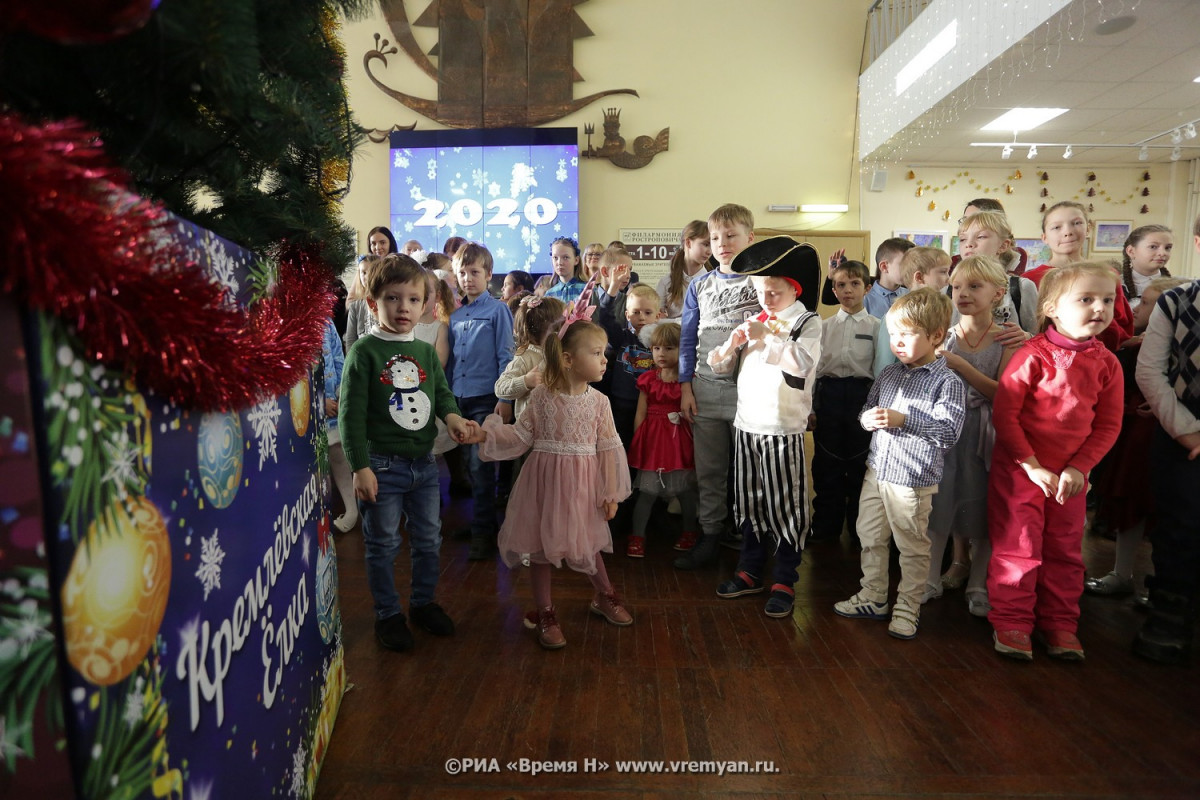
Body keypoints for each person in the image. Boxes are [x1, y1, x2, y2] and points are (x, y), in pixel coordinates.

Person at [462, 315, 634, 650]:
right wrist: (485, 433)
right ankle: (545, 612)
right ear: (569, 359)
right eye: (596, 353)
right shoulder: (541, 397)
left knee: (589, 543)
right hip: (542, 485)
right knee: (539, 548)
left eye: (604, 354)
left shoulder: (600, 403)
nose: (604, 360)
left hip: (583, 488)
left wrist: (611, 492)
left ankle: (605, 595)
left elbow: (610, 447)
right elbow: (520, 435)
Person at [987, 262, 1123, 661]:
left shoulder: (1108, 363)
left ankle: (1060, 623)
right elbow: (1006, 415)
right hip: (1021, 472)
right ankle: (1012, 619)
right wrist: (1030, 464)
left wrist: (1080, 468)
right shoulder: (1031, 356)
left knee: (1065, 549)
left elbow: (1109, 425)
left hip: (1070, 478)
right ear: (1051, 307)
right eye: (1086, 299)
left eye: (1107, 300)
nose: (1099, 307)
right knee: (1019, 547)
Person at [338, 254, 472, 652]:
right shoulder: (364, 353)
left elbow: (441, 394)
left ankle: (423, 603)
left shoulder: (426, 350)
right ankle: (387, 615)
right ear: (371, 303)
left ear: (426, 304)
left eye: (413, 300)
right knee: (382, 544)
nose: (404, 308)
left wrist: (453, 419)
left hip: (423, 464)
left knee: (429, 539)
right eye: (393, 299)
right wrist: (359, 468)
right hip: (380, 465)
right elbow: (350, 416)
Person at [833, 288, 966, 640]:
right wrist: (868, 421)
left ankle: (908, 606)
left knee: (911, 545)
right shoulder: (889, 374)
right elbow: (867, 411)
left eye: (906, 335)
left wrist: (902, 420)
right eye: (893, 334)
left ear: (936, 336)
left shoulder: (947, 382)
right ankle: (874, 596)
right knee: (870, 535)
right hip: (877, 471)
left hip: (912, 480)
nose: (897, 342)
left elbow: (948, 433)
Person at [708, 238, 822, 618]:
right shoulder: (754, 321)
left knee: (786, 504)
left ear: (794, 288)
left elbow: (802, 364)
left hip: (783, 429)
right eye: (759, 291)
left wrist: (768, 337)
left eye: (774, 291)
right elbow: (720, 366)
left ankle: (785, 578)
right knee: (750, 501)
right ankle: (750, 569)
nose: (766, 298)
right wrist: (729, 348)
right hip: (747, 425)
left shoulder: (807, 322)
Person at [923, 255, 1016, 618]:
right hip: (947, 430)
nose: (962, 293)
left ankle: (979, 581)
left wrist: (960, 366)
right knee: (938, 504)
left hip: (987, 432)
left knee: (985, 507)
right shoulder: (943, 334)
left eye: (974, 287)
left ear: (998, 292)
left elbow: (1004, 394)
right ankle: (929, 576)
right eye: (957, 286)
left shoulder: (1008, 338)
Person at [1087, 276, 1190, 597]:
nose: (1140, 307)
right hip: (1133, 433)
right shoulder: (1130, 345)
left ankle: (1163, 585)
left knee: (1164, 509)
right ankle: (1123, 572)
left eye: (1148, 303)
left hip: (1157, 435)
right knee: (1130, 502)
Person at [675, 203, 762, 570]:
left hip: (751, 392)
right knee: (709, 470)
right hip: (706, 389)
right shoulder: (700, 284)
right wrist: (685, 387)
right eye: (714, 238)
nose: (722, 243)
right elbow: (687, 337)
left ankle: (750, 538)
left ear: (749, 238)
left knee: (750, 471)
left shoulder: (762, 281)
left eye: (731, 236)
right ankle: (710, 533)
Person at [1130, 217, 1200, 663]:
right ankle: (1170, 614)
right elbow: (1150, 371)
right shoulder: (1176, 302)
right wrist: (1188, 430)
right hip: (1182, 434)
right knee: (1180, 527)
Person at [448, 242, 515, 559]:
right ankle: (480, 523)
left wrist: (504, 397)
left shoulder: (498, 310)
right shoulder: (456, 315)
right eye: (462, 272)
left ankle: (484, 535)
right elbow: (450, 361)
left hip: (486, 398)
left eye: (474, 272)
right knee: (470, 469)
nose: (467, 278)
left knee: (482, 467)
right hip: (460, 400)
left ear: (488, 275)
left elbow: (506, 356)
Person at [809, 258, 876, 544]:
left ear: (868, 288)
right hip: (831, 395)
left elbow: (881, 367)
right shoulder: (822, 327)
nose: (847, 290)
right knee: (827, 462)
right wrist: (811, 407)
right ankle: (825, 526)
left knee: (861, 464)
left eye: (854, 284)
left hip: (864, 396)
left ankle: (860, 529)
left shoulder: (878, 327)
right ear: (833, 290)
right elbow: (813, 371)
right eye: (840, 285)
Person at [625, 321, 697, 556]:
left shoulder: (688, 382)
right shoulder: (648, 379)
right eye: (656, 348)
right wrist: (639, 439)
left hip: (678, 441)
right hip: (653, 441)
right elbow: (640, 412)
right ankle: (637, 536)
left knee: (685, 491)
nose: (661, 354)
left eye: (668, 348)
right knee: (646, 492)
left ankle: (689, 531)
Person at [1024, 201, 1133, 351]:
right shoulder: (1029, 280)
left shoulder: (1107, 275)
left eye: (1076, 223)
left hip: (1099, 356)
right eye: (1057, 227)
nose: (1068, 232)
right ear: (1044, 237)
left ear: (1088, 229)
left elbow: (1122, 327)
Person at [594, 251, 658, 448]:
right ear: (627, 315)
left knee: (644, 447)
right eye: (636, 312)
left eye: (648, 313)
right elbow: (605, 316)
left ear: (658, 315)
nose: (642, 318)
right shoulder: (623, 337)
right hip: (620, 403)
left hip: (649, 405)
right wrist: (613, 287)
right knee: (619, 447)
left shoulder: (659, 342)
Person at [956, 210, 1039, 335]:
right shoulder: (948, 290)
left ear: (1003, 246)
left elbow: (1039, 337)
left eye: (981, 237)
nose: (969, 244)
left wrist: (1027, 337)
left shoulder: (1021, 288)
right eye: (962, 239)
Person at [873, 246, 952, 375]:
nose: (948, 279)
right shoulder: (895, 316)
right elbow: (883, 367)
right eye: (943, 272)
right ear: (920, 277)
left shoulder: (944, 312)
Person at [494, 294, 566, 421]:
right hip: (530, 429)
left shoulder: (563, 353)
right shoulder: (526, 357)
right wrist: (525, 381)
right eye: (562, 325)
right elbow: (500, 387)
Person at [322, 315, 357, 533]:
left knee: (339, 453)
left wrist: (342, 390)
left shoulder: (325, 322)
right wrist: (318, 400)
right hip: (307, 411)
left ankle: (352, 509)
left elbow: (338, 357)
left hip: (334, 405)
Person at [950, 198, 1031, 275]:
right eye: (965, 220)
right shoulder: (954, 263)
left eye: (978, 217)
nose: (969, 224)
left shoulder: (1015, 263)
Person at [657, 220, 712, 319]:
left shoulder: (713, 282)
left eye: (712, 245)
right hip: (673, 333)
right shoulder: (666, 281)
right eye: (706, 244)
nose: (710, 251)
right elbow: (655, 316)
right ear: (688, 243)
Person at [1121, 224, 1173, 309]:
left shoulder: (1179, 287)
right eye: (1153, 247)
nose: (1163, 253)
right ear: (1131, 251)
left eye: (1167, 248)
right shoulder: (1115, 286)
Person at [863, 237, 915, 317]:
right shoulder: (864, 299)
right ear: (884, 267)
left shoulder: (912, 296)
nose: (911, 269)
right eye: (905, 264)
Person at [344, 254, 382, 350]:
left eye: (372, 272)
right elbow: (350, 340)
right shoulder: (355, 307)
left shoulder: (388, 303)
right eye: (364, 272)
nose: (367, 277)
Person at [536, 236, 587, 303]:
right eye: (555, 258)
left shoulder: (587, 290)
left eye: (565, 257)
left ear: (576, 260)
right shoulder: (549, 294)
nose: (559, 262)